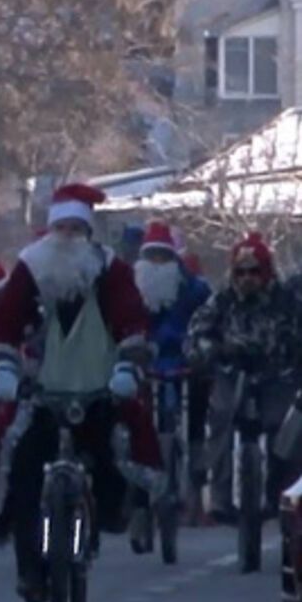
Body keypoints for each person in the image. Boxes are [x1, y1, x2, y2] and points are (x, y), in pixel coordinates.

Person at [0, 184, 162, 602]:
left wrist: (126, 364)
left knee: (110, 459)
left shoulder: (110, 269)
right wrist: (4, 366)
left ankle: (107, 519)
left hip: (98, 390)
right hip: (41, 392)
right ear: (49, 231)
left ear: (89, 232)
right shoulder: (30, 268)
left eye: (76, 228)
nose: (68, 237)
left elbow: (131, 319)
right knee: (23, 469)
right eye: (60, 228)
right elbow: (2, 323)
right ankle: (30, 569)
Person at [186, 232, 298, 524]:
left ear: (267, 271)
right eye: (241, 272)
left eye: (254, 271)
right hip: (231, 373)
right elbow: (197, 332)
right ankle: (221, 500)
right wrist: (212, 351)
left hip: (277, 376)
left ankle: (285, 496)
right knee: (222, 419)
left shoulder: (286, 300)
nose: (248, 278)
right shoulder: (221, 299)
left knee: (287, 427)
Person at [133, 221, 211, 527]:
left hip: (185, 364)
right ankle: (139, 500)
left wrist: (202, 347)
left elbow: (208, 315)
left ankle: (196, 490)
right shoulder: (133, 289)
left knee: (195, 423)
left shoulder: (192, 288)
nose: (156, 264)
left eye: (162, 257)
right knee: (134, 423)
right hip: (146, 367)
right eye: (150, 257)